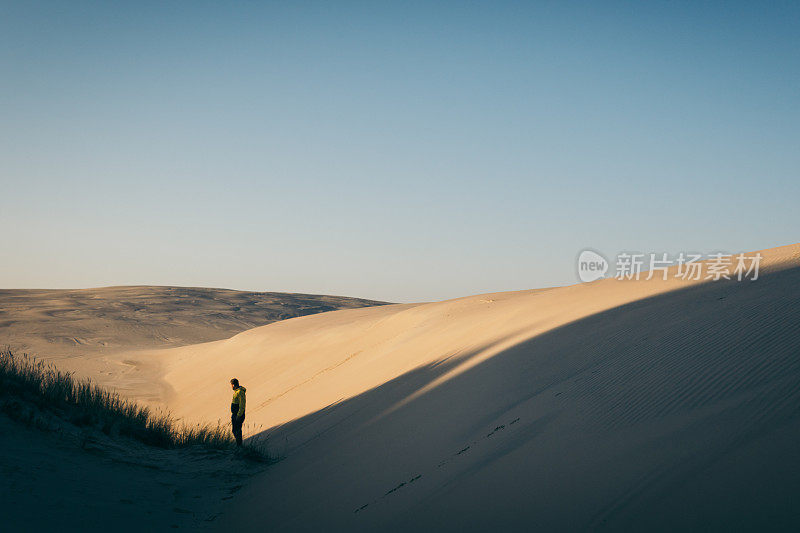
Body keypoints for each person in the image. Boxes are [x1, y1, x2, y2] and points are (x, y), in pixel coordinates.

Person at [230, 378, 246, 446]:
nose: (231, 387)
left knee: (237, 431)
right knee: (235, 430)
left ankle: (239, 446)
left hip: (238, 415)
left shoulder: (240, 392)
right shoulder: (237, 391)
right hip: (235, 414)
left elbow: (242, 404)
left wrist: (239, 415)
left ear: (233, 385)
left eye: (231, 385)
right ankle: (239, 445)